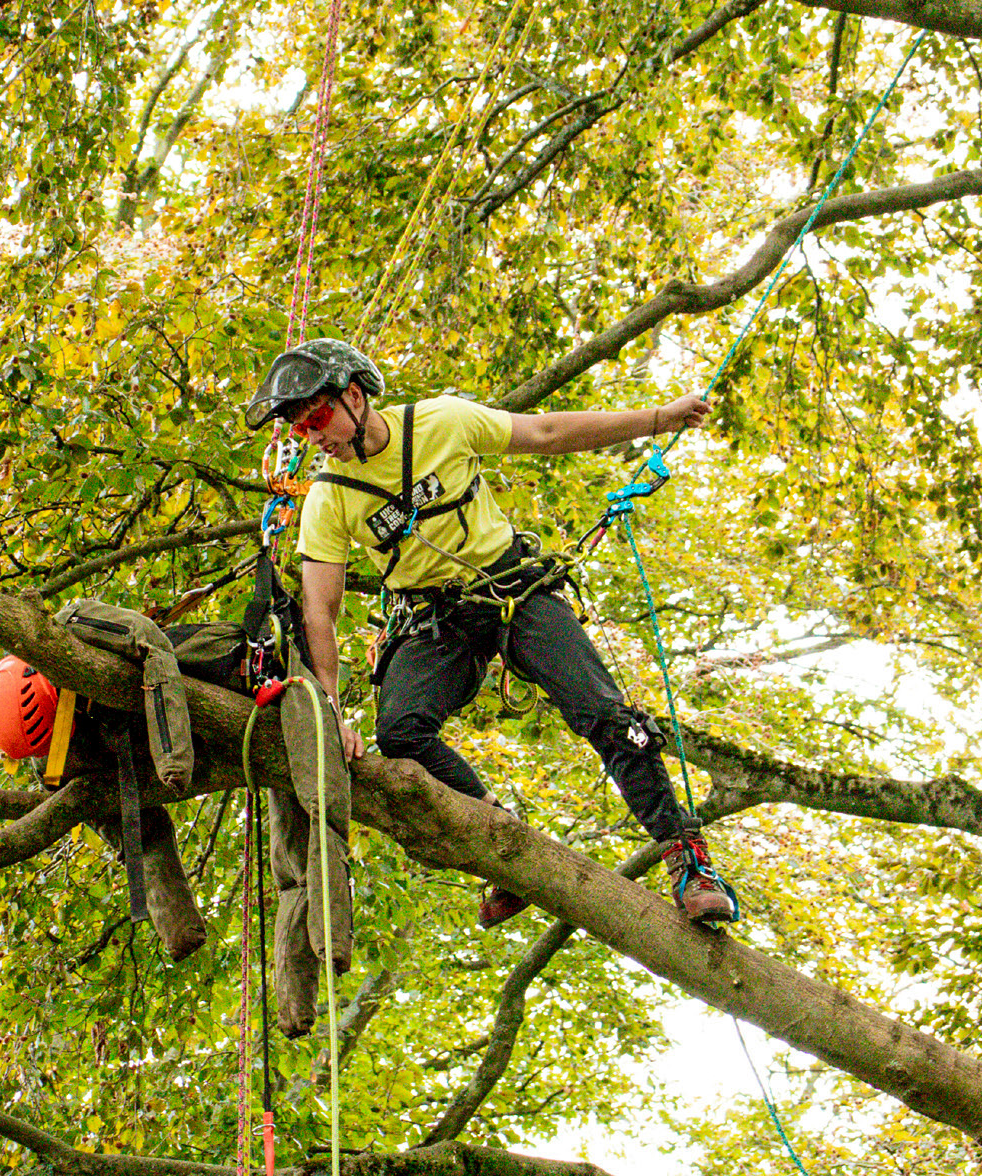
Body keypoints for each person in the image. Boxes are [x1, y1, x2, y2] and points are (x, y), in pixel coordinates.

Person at [242, 339, 740, 926]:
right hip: (431, 619)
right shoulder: (329, 496)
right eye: (301, 430)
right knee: (401, 732)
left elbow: (548, 434)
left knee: (604, 713)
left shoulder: (441, 421)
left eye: (317, 418)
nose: (314, 437)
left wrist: (660, 419)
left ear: (354, 396)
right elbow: (318, 609)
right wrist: (327, 708)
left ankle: (690, 862)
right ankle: (502, 844)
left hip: (511, 591)